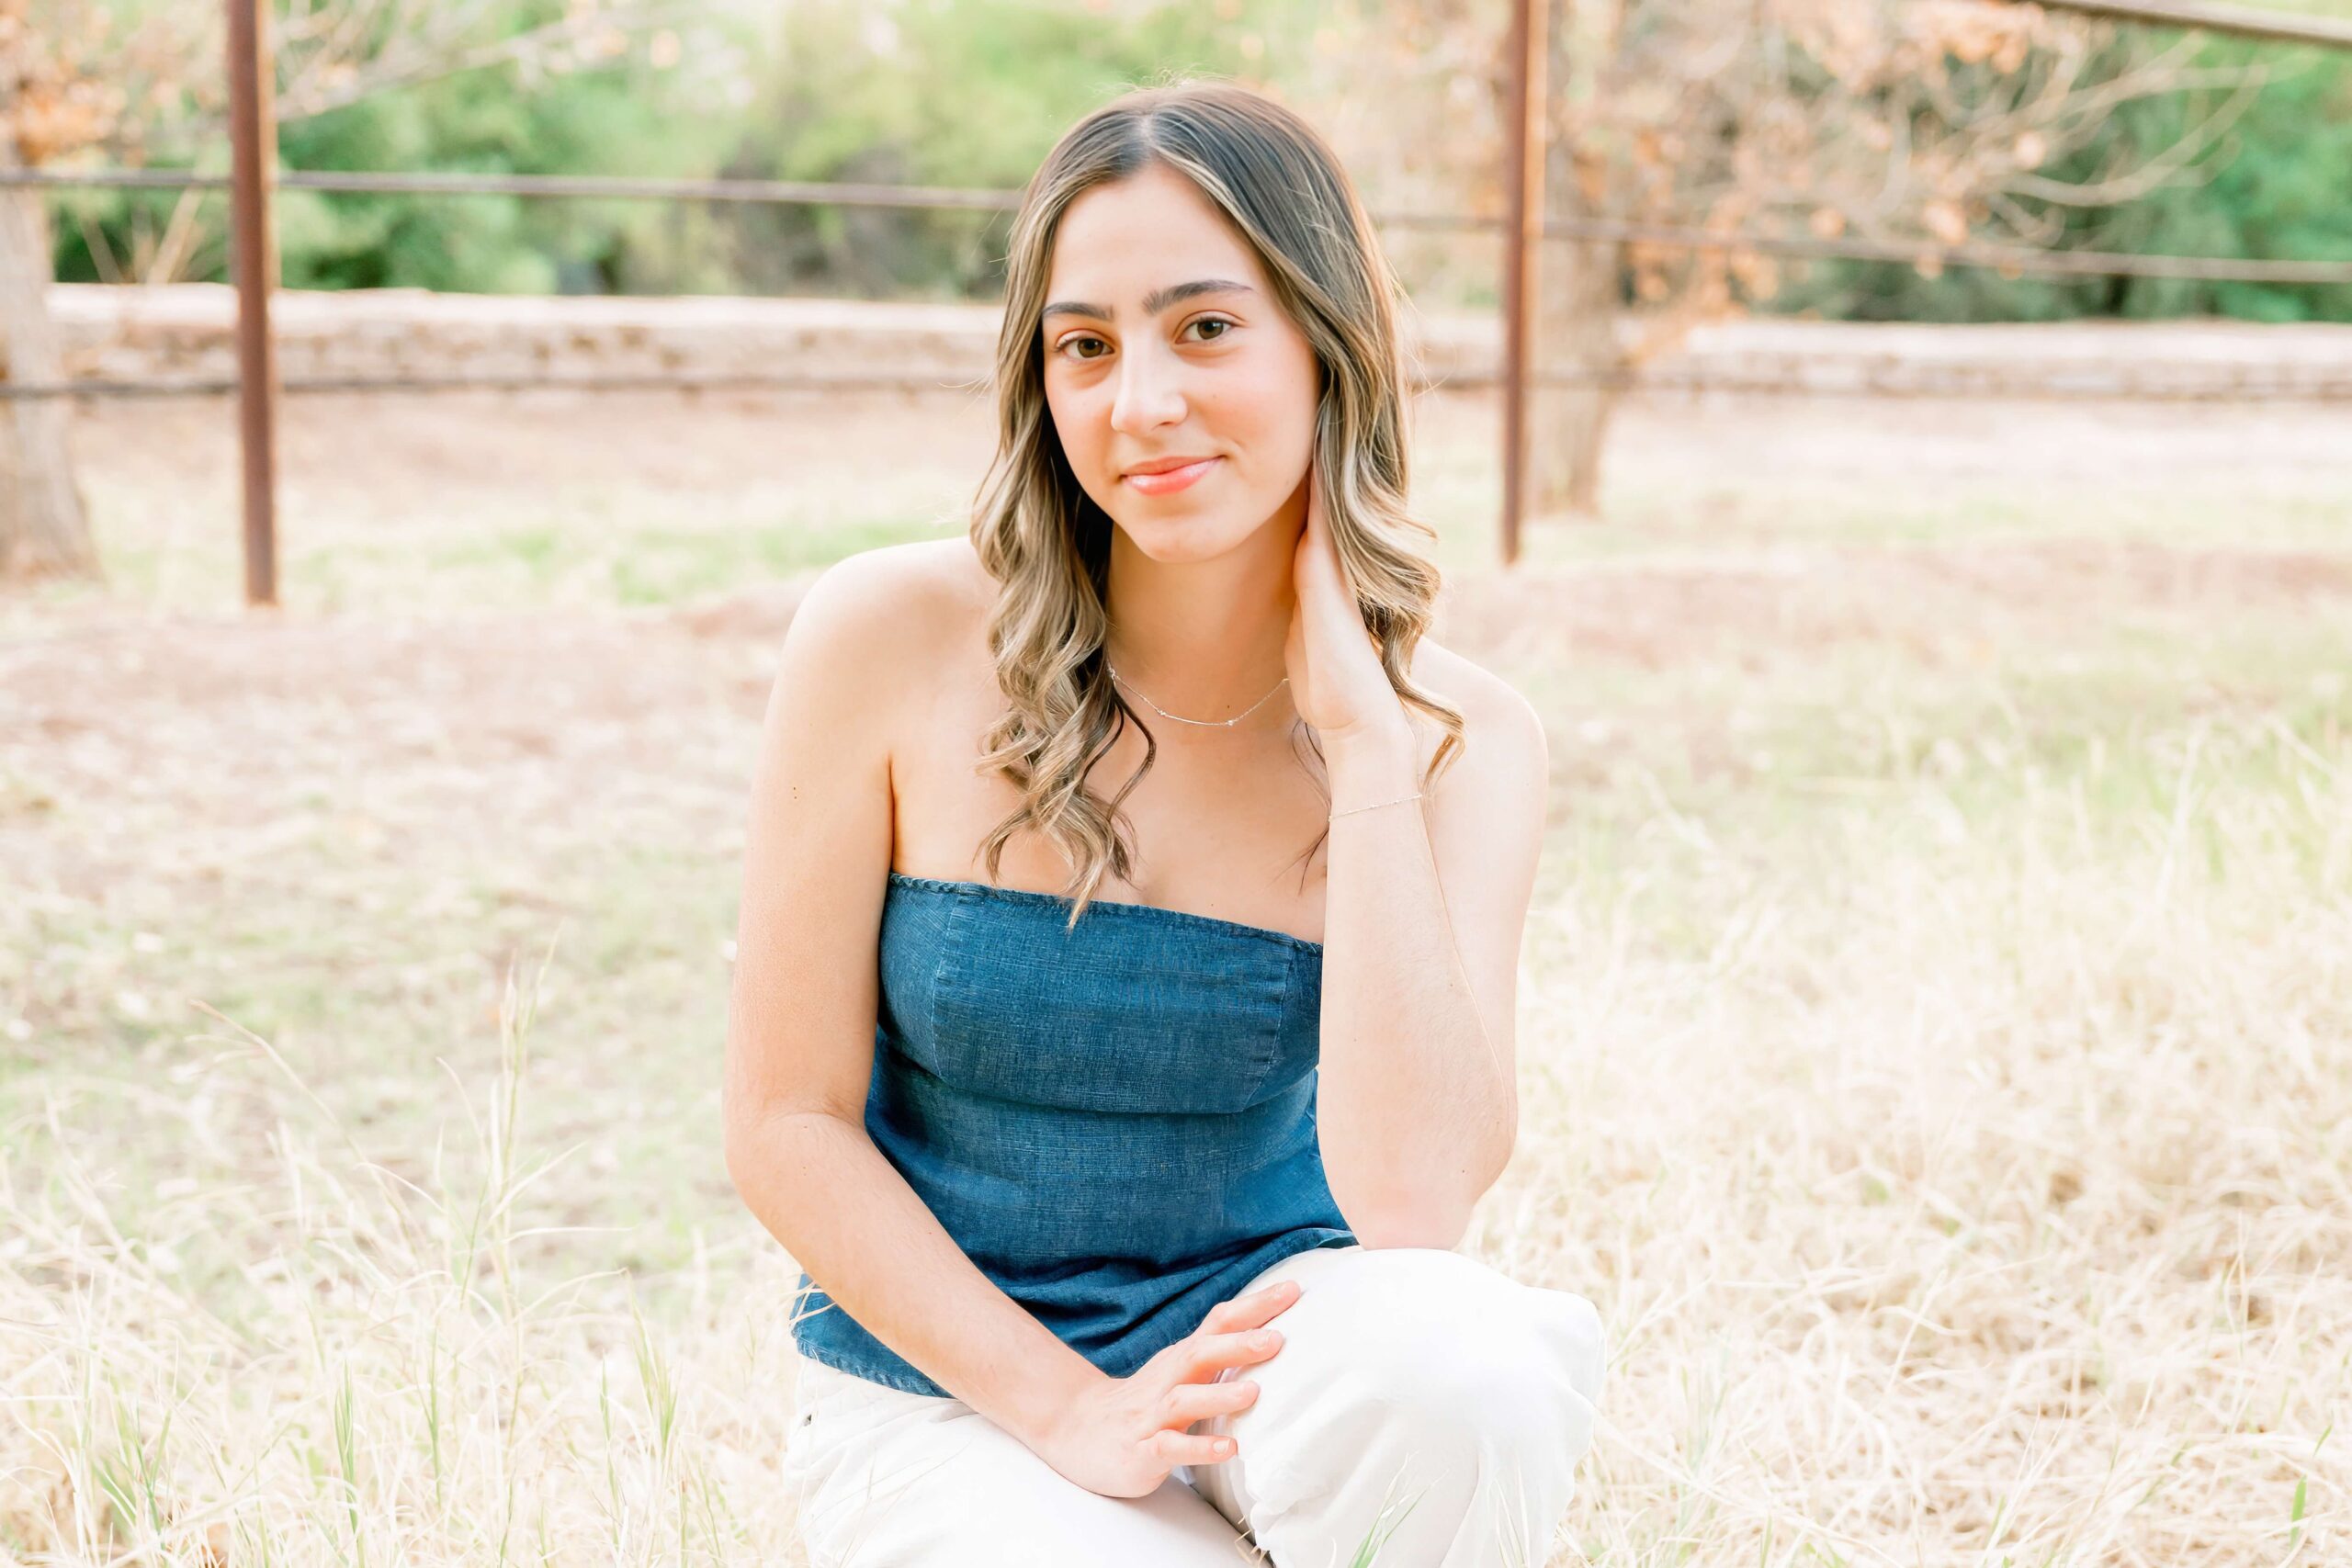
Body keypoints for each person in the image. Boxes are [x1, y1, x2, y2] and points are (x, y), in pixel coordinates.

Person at [721, 77, 1608, 1566]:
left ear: (1328, 347)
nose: (1140, 405)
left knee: (1471, 1372)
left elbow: (1413, 1202)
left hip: (1276, 1353)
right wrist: (1068, 1407)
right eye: (1086, 346)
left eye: (1205, 328)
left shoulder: (1463, 742)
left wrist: (1361, 747)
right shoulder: (888, 634)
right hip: (947, 1398)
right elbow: (784, 1123)